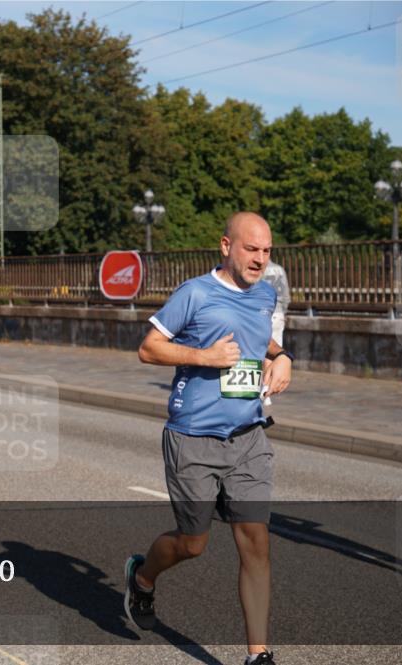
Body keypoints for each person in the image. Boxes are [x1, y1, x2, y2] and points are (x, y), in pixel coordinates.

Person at [125, 212, 293, 665]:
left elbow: (265, 343)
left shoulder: (265, 295)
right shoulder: (195, 293)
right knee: (192, 543)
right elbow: (148, 348)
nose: (260, 259)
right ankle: (142, 577)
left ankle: (258, 655)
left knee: (256, 542)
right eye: (250, 249)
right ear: (226, 246)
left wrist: (283, 359)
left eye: (266, 250)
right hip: (193, 438)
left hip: (248, 436)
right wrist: (203, 355)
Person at [259, 260, 290, 406]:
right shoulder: (278, 269)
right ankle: (267, 390)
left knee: (263, 352)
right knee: (275, 354)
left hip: (261, 314)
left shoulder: (255, 268)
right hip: (278, 314)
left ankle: (260, 386)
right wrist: (283, 310)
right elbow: (285, 295)